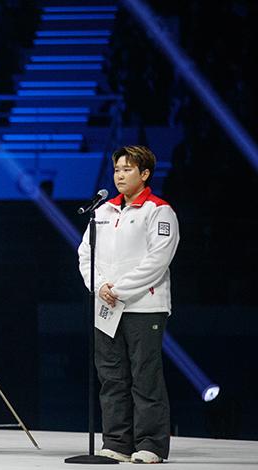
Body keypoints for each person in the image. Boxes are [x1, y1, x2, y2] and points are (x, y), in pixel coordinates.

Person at [78, 145, 179, 464]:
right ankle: (117, 441)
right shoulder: (102, 211)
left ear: (145, 174)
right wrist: (100, 287)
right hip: (106, 307)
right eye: (117, 169)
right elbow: (85, 255)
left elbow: (157, 260)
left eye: (127, 170)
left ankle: (150, 443)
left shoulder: (159, 210)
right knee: (111, 376)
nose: (119, 175)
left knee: (144, 375)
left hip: (143, 307)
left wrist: (118, 289)